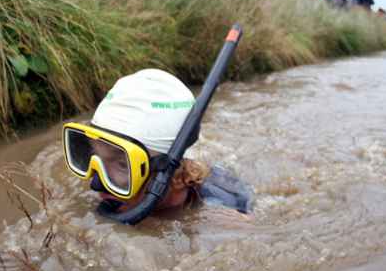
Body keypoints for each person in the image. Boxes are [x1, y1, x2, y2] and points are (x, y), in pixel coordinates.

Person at [62, 69, 254, 219]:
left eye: (122, 165)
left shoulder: (219, 215)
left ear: (176, 178)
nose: (95, 184)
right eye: (93, 159)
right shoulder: (118, 196)